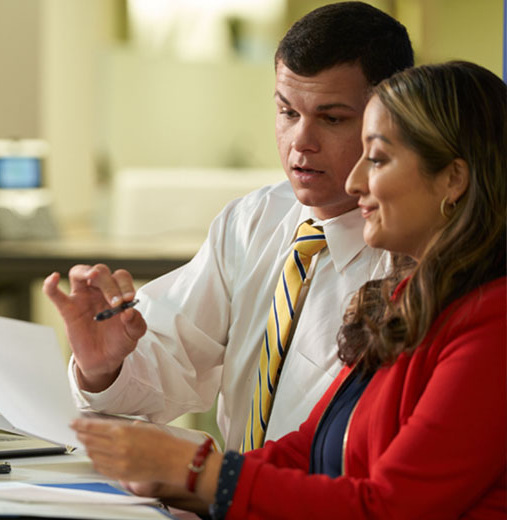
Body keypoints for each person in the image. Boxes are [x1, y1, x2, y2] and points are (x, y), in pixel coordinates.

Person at [71, 60, 507, 519]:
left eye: (375, 158)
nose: (356, 181)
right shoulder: (409, 298)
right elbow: (309, 449)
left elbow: (389, 507)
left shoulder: (491, 328)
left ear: (453, 179)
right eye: (287, 113)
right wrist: (177, 476)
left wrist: (197, 473)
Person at [44, 1, 414, 453]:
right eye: (287, 113)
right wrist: (104, 366)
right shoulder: (253, 221)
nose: (301, 142)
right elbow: (171, 360)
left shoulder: (413, 248)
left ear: (389, 118)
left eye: (332, 118)